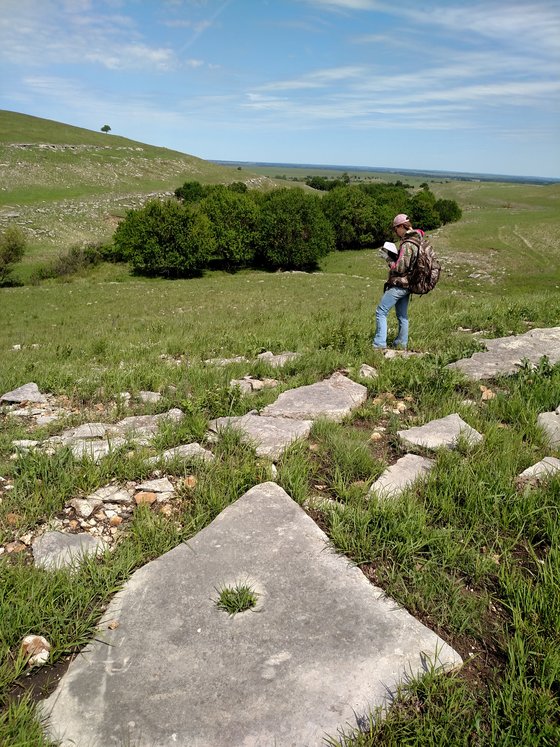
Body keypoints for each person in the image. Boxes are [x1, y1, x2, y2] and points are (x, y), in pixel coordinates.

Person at [373, 213, 421, 350]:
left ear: (401, 226)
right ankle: (401, 345)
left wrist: (388, 259)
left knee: (381, 311)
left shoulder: (408, 243)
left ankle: (379, 345)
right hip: (409, 285)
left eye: (396, 229)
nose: (396, 232)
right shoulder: (417, 240)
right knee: (402, 316)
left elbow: (400, 268)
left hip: (400, 283)